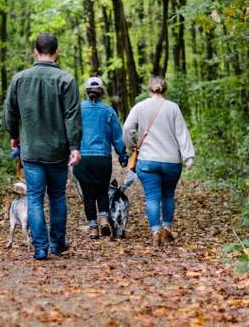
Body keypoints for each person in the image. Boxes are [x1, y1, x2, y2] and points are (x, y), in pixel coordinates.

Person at [3, 32, 82, 260]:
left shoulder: (19, 79)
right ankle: (57, 243)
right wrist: (75, 146)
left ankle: (40, 247)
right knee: (57, 197)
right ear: (56, 52)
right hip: (58, 150)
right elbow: (72, 117)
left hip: (31, 151)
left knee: (35, 198)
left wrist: (14, 135)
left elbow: (10, 112)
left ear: (35, 52)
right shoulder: (66, 80)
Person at [123, 76, 194, 247]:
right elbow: (181, 133)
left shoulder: (140, 107)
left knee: (152, 198)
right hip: (171, 161)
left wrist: (132, 144)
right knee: (168, 195)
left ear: (149, 89)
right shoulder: (173, 108)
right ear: (165, 89)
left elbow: (127, 128)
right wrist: (188, 157)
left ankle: (156, 231)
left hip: (147, 161)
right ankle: (167, 230)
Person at [73, 77, 128, 239]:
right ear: (101, 92)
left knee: (88, 195)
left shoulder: (78, 110)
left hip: (83, 158)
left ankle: (93, 228)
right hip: (102, 158)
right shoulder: (108, 111)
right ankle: (104, 218)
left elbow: (72, 132)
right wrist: (122, 155)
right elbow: (117, 137)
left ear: (86, 92)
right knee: (102, 191)